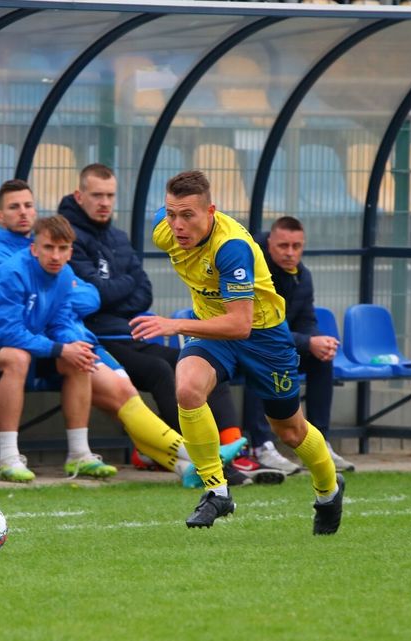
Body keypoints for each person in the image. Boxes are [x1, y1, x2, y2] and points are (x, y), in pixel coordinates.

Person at [0, 180, 249, 486]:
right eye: (14, 207)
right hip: (26, 345)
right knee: (149, 373)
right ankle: (200, 456)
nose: (23, 213)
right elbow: (34, 318)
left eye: (28, 205)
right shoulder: (9, 261)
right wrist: (83, 313)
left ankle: (197, 461)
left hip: (71, 340)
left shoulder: (96, 245)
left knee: (190, 364)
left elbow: (98, 297)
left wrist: (91, 302)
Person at [131, 171, 344, 532]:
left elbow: (240, 325)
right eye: (171, 214)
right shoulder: (165, 228)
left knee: (290, 431)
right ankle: (217, 491)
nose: (177, 225)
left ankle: (329, 490)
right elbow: (224, 326)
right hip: (215, 332)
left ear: (210, 211)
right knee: (187, 388)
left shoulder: (231, 247)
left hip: (263, 336)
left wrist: (174, 325)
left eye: (188, 216)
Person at [55, 165, 256, 481]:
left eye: (110, 195)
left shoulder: (118, 237)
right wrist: (121, 286)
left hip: (130, 330)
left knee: (196, 361)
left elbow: (143, 290)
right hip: (99, 335)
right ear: (80, 196)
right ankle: (202, 462)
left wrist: (114, 290)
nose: (105, 202)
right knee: (163, 372)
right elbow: (96, 296)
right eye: (97, 195)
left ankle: (231, 447)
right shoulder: (67, 240)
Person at [0, 216, 119, 483]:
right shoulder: (11, 272)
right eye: (48, 247)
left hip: (13, 344)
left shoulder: (65, 276)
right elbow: (9, 333)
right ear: (34, 248)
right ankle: (8, 458)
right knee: (17, 358)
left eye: (62, 249)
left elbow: (60, 322)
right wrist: (61, 348)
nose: (55, 255)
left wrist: (73, 345)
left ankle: (79, 455)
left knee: (78, 358)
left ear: (71, 251)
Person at [247, 216, 354, 473]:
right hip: (245, 346)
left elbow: (307, 320)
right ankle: (261, 446)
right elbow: (255, 329)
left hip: (280, 346)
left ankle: (318, 443)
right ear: (270, 242)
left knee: (321, 359)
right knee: (260, 359)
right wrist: (308, 341)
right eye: (283, 246)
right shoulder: (254, 270)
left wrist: (318, 341)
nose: (290, 253)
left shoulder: (302, 276)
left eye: (297, 246)